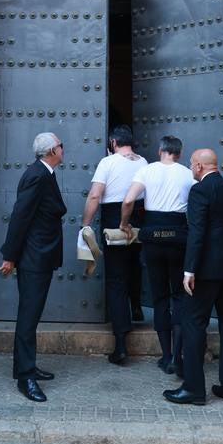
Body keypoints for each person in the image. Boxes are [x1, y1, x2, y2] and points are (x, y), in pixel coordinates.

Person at [163, 148, 223, 406]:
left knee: (193, 323)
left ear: (200, 166)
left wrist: (190, 270)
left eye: (192, 164)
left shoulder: (200, 190)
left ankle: (194, 389)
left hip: (206, 271)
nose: (191, 168)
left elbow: (197, 231)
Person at [0, 132, 66, 402]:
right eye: (61, 145)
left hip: (42, 256)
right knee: (28, 317)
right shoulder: (37, 175)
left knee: (32, 315)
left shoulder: (44, 172)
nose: (63, 148)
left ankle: (29, 366)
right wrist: (10, 255)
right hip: (33, 258)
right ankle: (25, 377)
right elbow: (20, 216)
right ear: (51, 150)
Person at [120, 135, 194, 376]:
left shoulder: (147, 170)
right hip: (179, 235)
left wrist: (124, 223)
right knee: (180, 296)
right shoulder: (187, 174)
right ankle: (179, 357)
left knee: (160, 297)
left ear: (160, 150)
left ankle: (167, 356)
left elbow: (129, 199)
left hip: (153, 236)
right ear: (179, 153)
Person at [81, 124, 147, 364]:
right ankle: (137, 306)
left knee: (116, 279)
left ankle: (120, 345)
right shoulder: (143, 162)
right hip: (138, 220)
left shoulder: (107, 163)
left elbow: (95, 195)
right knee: (134, 266)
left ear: (112, 142)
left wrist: (85, 224)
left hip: (114, 221)